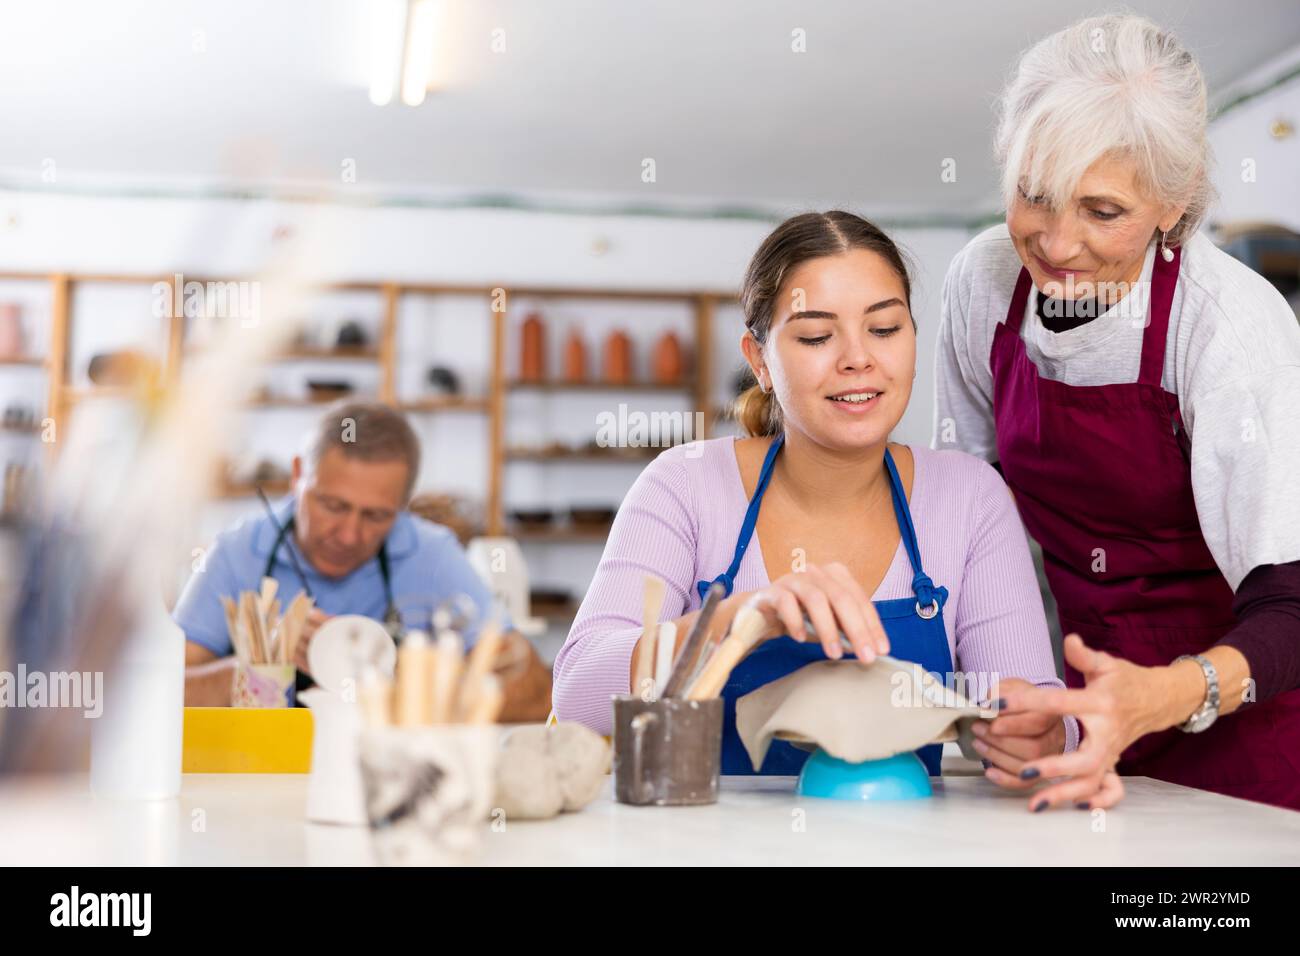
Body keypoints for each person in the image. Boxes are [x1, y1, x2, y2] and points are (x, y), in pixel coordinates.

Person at [555, 211, 1077, 790]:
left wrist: (1037, 732)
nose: (858, 358)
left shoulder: (972, 497)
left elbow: (1042, 713)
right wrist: (736, 622)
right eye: (815, 336)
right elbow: (579, 692)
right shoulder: (685, 484)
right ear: (760, 362)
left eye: (884, 329)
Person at [935, 14, 1300, 810]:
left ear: (1173, 205)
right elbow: (970, 524)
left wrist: (1162, 694)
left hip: (1246, 722)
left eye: (1103, 212)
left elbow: (1292, 604)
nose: (1058, 244)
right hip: (1072, 710)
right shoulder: (984, 284)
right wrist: (1006, 695)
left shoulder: (1227, 326)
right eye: (1034, 196)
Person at [176, 401, 551, 720]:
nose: (349, 535)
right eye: (333, 506)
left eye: (375, 516)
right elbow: (161, 694)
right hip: (258, 778)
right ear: (296, 476)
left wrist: (397, 675)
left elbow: (536, 695)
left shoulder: (430, 553)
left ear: (403, 507)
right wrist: (262, 667)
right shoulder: (237, 552)